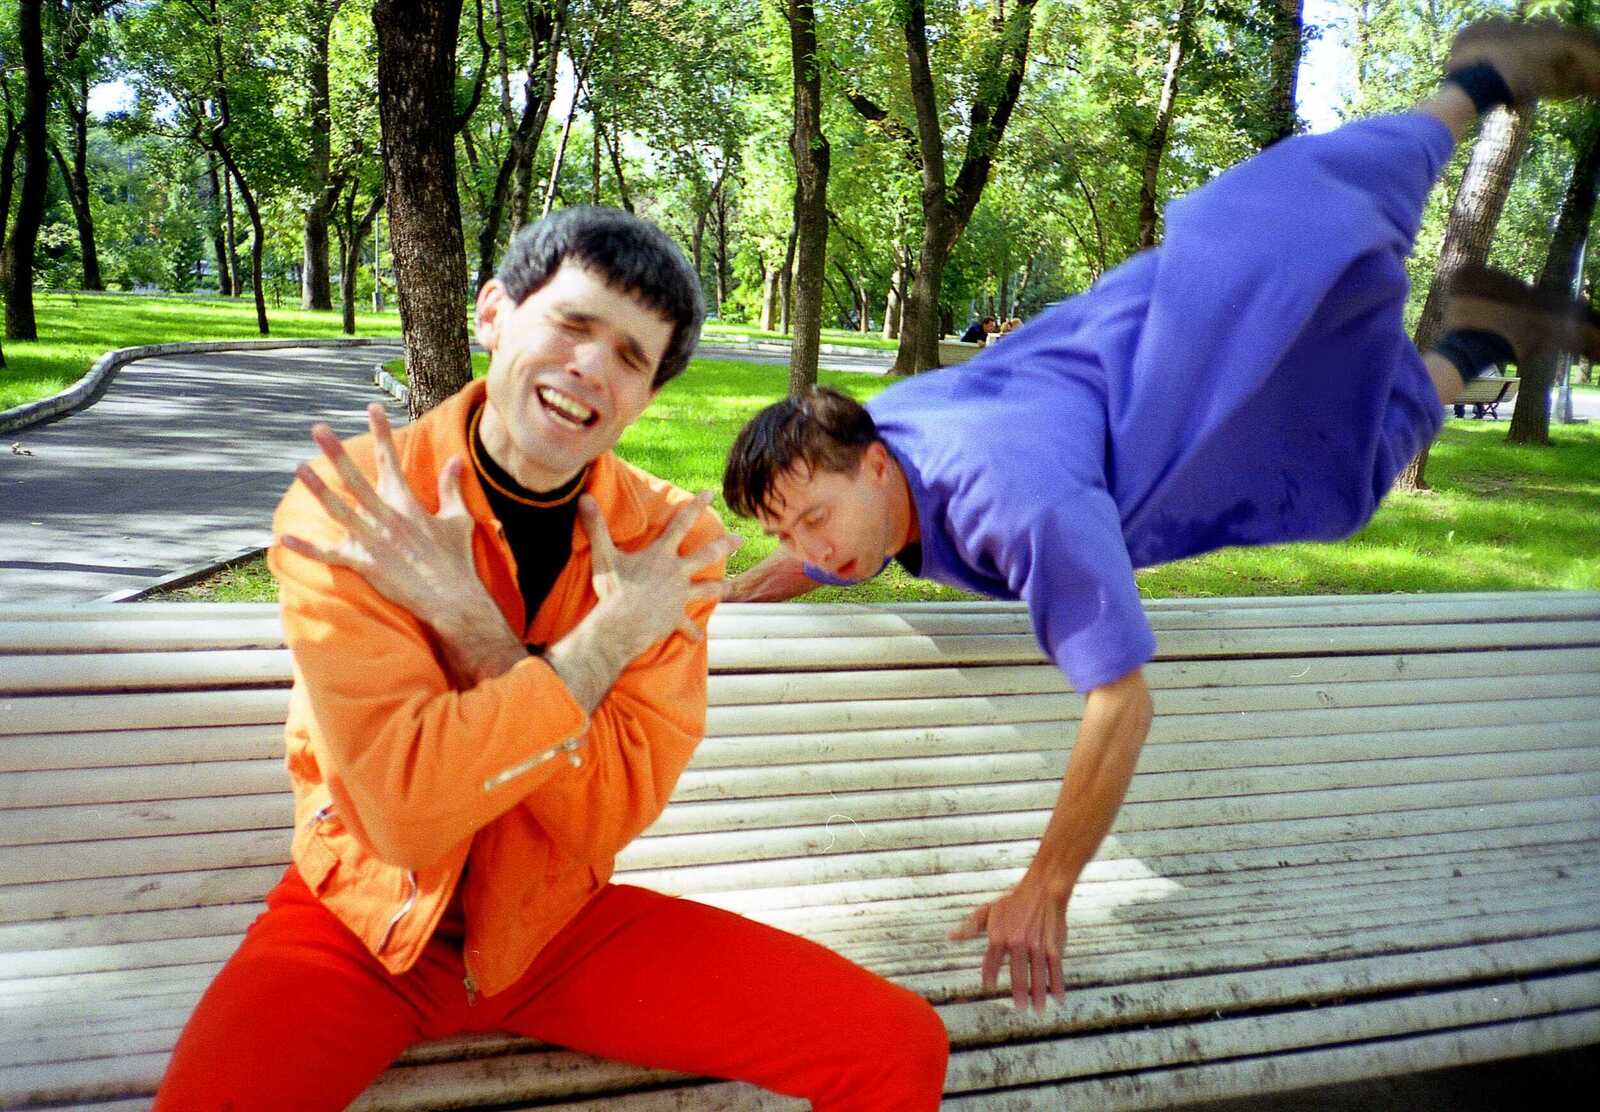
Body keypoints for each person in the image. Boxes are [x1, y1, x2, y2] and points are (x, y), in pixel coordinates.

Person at [719, 20, 1600, 1015]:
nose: (811, 547)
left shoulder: (1018, 502)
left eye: (813, 521)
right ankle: (1486, 334)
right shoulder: (866, 456)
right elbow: (840, 534)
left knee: (1316, 219)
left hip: (1180, 334)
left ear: (878, 464)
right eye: (787, 531)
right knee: (1339, 472)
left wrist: (1046, 885)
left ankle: (1475, 79)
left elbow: (1121, 702)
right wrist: (762, 581)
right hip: (1164, 429)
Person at [155, 207, 948, 1110]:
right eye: (572, 324)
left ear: (646, 398)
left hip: (551, 929)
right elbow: (403, 817)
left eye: (631, 358)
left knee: (894, 1045)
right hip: (361, 926)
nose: (591, 367)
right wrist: (606, 641)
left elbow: (607, 811)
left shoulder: (667, 546)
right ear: (494, 313)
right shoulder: (356, 507)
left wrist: (479, 636)